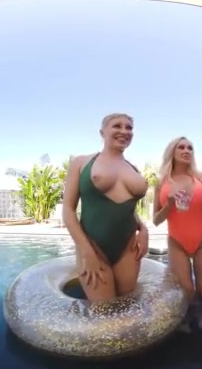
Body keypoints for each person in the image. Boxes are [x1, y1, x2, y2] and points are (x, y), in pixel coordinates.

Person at [62, 113, 149, 303]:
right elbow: (68, 210)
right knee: (104, 311)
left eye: (129, 127)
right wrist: (86, 252)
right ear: (102, 132)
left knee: (126, 304)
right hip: (93, 247)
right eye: (117, 126)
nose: (124, 131)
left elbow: (127, 207)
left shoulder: (133, 169)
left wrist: (143, 229)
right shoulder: (81, 163)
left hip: (128, 248)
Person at [152, 137, 202, 331]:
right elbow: (156, 220)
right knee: (188, 291)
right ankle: (186, 319)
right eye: (181, 147)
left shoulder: (201, 178)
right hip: (177, 243)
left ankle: (201, 316)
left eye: (190, 148)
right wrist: (169, 204)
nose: (186, 150)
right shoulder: (162, 183)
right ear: (172, 152)